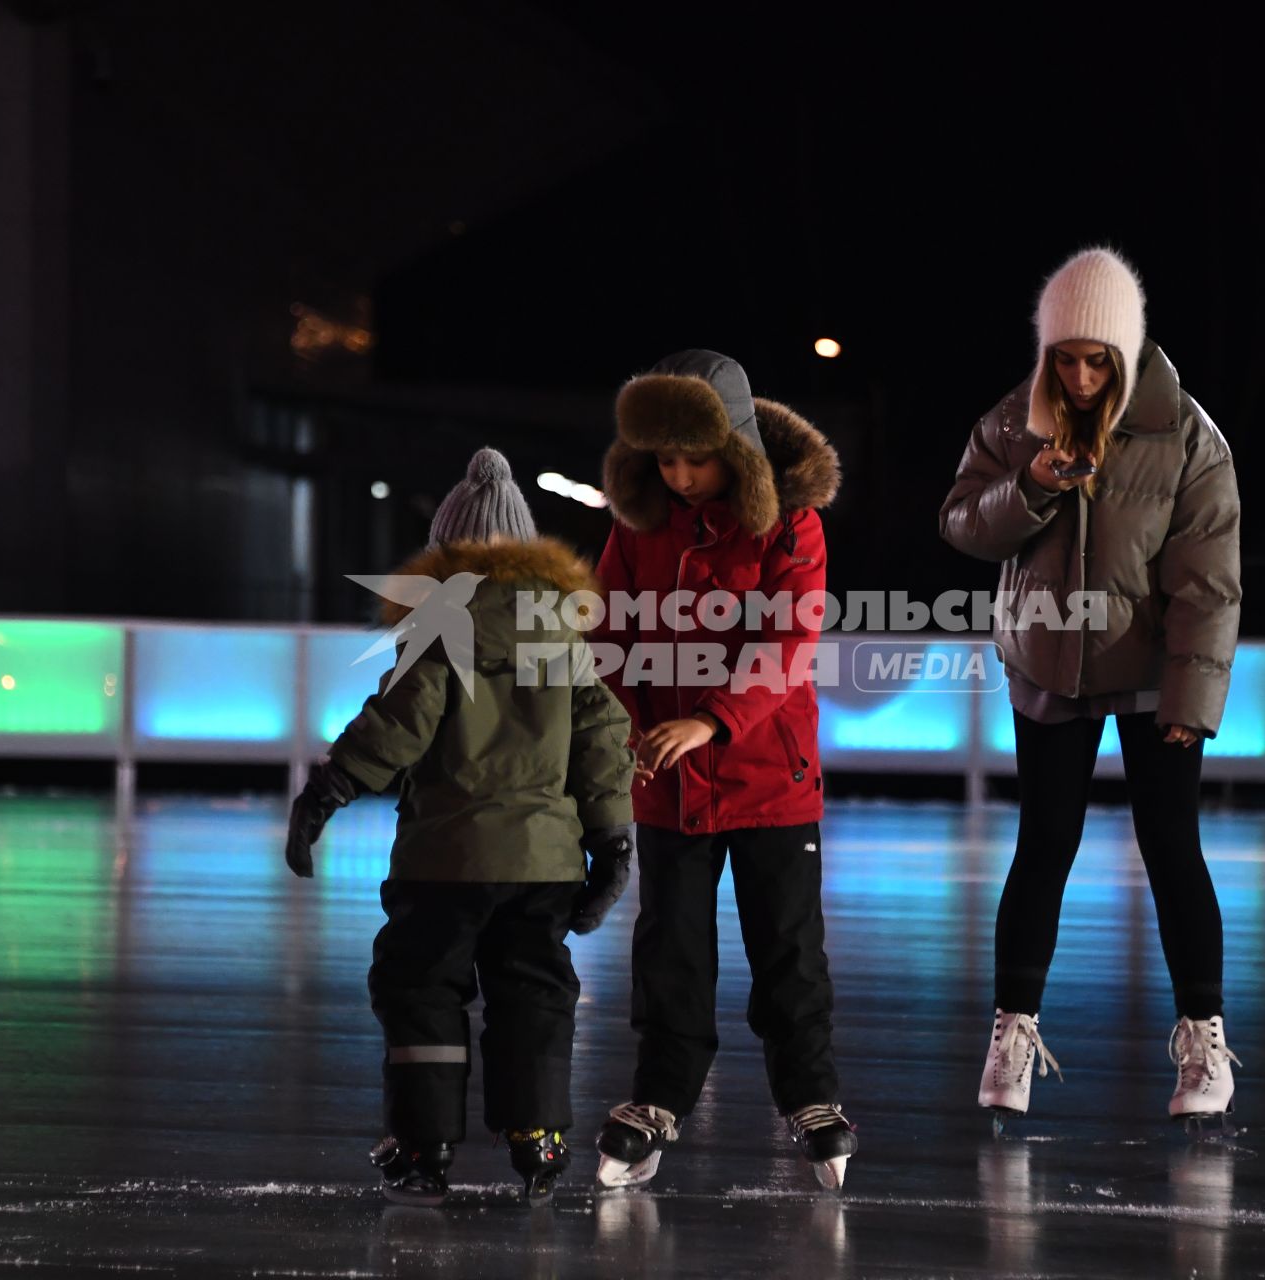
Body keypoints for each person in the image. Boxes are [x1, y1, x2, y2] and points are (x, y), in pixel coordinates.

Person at [937, 247, 1244, 1130]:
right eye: (1063, 357)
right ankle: (1013, 1036)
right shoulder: (1012, 424)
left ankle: (1202, 1042)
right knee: (1044, 847)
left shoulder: (1187, 434)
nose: (1077, 375)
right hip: (1048, 664)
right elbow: (960, 524)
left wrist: (1190, 701)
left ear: (1125, 351)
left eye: (1095, 359)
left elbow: (1208, 582)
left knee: (1172, 850)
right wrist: (1029, 487)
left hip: (1150, 673)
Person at [283, 447, 637, 1204]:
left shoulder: (441, 627)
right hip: (544, 864)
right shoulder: (563, 639)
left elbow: (400, 725)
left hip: (443, 860)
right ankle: (538, 1138)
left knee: (422, 991)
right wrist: (612, 840)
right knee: (535, 993)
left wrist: (326, 792)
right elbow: (601, 739)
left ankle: (423, 1146)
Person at [588, 349, 856, 1189]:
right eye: (662, 459)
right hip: (666, 781)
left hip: (768, 777)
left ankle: (810, 1094)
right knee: (670, 945)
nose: (678, 475)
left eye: (693, 458)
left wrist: (711, 720)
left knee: (788, 945)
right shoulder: (637, 528)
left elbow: (789, 644)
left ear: (734, 448)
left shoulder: (792, 524)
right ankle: (660, 1095)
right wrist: (629, 725)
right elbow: (608, 637)